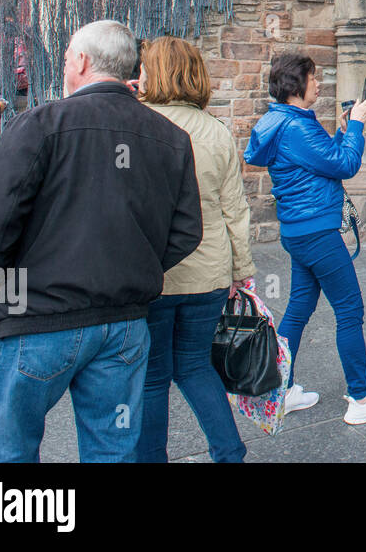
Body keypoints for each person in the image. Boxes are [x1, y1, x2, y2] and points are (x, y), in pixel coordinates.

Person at [0, 20, 203, 462]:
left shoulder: (42, 123)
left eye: (64, 57)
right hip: (122, 324)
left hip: (41, 318)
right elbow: (187, 230)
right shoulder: (171, 138)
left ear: (80, 61)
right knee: (112, 451)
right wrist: (137, 264)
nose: (64, 65)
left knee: (11, 453)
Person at [244, 53, 366, 425]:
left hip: (297, 232)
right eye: (314, 79)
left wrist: (342, 131)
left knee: (299, 309)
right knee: (350, 309)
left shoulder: (282, 122)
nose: (318, 84)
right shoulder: (297, 128)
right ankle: (362, 399)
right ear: (297, 85)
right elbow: (345, 165)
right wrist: (357, 127)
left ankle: (280, 390)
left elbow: (324, 160)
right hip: (317, 233)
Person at [133, 36, 256, 463]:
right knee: (195, 367)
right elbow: (234, 210)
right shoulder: (217, 131)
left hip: (152, 273)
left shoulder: (134, 123)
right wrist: (242, 270)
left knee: (151, 378)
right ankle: (229, 451)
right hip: (209, 273)